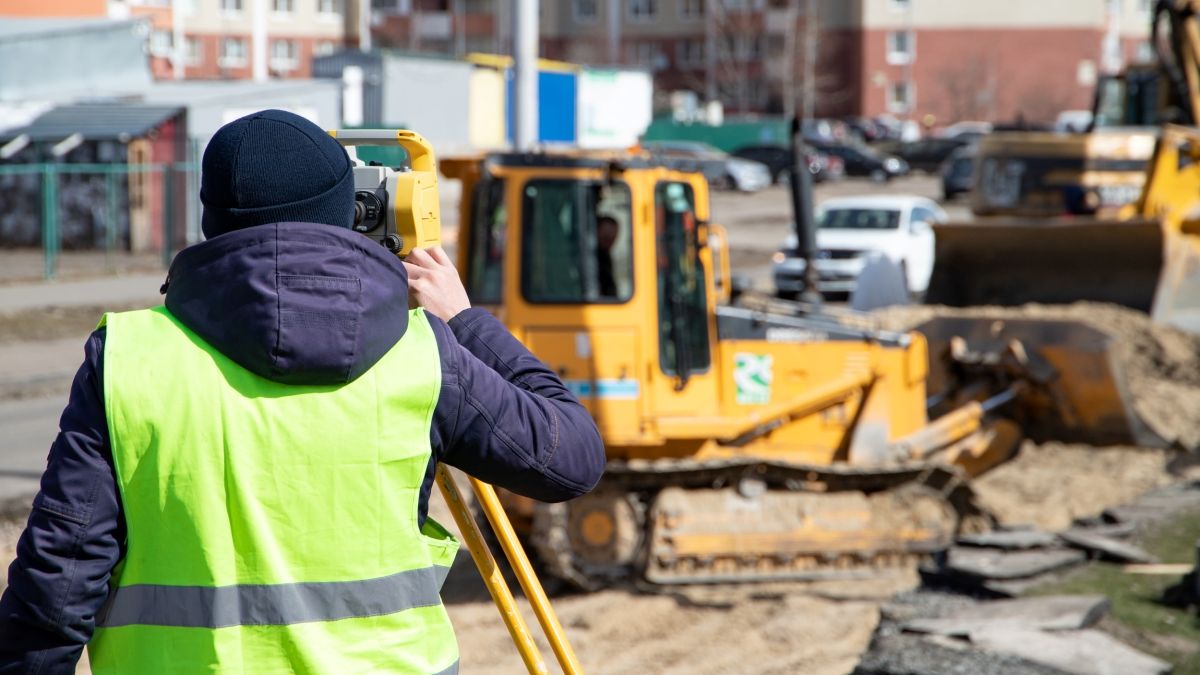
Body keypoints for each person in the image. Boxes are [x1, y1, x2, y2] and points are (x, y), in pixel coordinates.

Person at [0, 109, 606, 674]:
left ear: (212, 220)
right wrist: (466, 324)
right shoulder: (423, 355)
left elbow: (56, 591)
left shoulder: (128, 360)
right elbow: (570, 458)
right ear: (347, 212)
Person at [595, 215, 619, 298]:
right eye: (605, 237)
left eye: (613, 237)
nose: (610, 241)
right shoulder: (593, 258)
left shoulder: (605, 256)